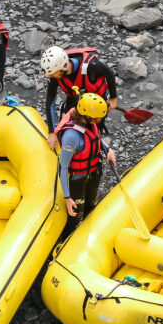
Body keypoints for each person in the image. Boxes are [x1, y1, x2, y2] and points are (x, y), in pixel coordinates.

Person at [56, 93, 117, 239]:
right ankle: (66, 241)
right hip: (77, 180)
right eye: (98, 118)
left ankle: (89, 235)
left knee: (91, 205)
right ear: (87, 115)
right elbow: (63, 167)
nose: (100, 120)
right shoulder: (71, 136)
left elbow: (95, 139)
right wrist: (67, 197)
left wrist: (108, 149)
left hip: (93, 172)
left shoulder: (89, 122)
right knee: (74, 216)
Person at [40, 45, 118, 147]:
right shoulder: (55, 74)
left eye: (53, 73)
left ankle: (96, 150)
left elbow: (109, 73)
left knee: (92, 136)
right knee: (68, 131)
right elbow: (50, 101)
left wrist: (113, 98)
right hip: (74, 101)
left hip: (95, 105)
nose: (50, 76)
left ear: (64, 66)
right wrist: (51, 132)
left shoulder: (92, 66)